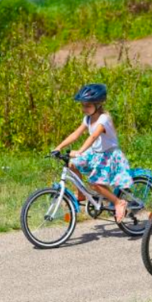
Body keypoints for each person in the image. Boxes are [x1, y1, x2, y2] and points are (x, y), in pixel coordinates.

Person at [53, 83, 133, 222]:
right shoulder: (88, 118)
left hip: (109, 155)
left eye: (88, 106)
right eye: (83, 105)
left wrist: (80, 151)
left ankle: (118, 202)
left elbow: (93, 136)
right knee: (72, 165)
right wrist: (58, 147)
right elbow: (76, 134)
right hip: (95, 153)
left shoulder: (104, 118)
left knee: (95, 183)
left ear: (98, 104)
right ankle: (81, 194)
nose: (84, 109)